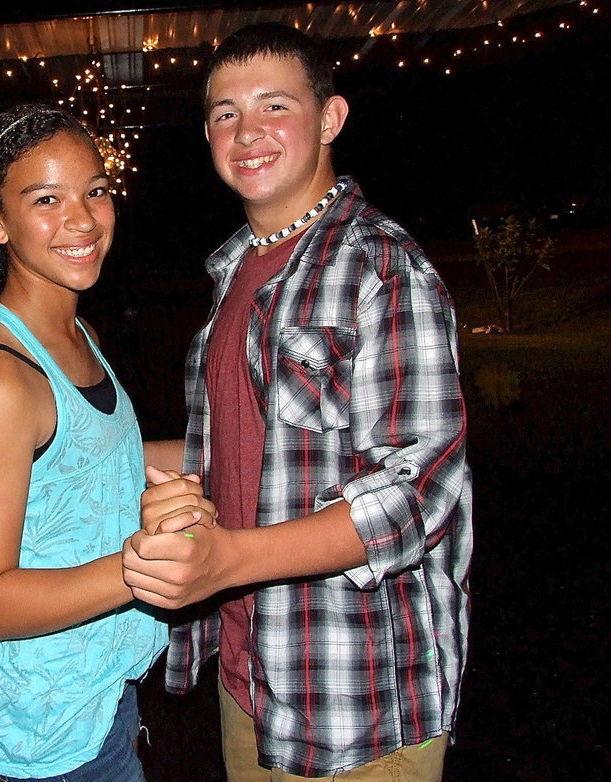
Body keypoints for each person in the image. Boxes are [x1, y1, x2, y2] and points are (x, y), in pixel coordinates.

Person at [122, 23, 472, 781]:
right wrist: (63, 449)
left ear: (330, 118)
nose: (245, 133)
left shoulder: (380, 266)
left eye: (273, 106)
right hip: (252, 681)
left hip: (358, 699)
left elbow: (419, 495)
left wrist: (228, 562)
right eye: (223, 114)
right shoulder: (234, 271)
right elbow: (235, 451)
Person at [0, 103, 168, 782]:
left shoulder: (78, 334)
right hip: (39, 730)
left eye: (95, 191)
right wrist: (145, 566)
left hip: (94, 696)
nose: (83, 219)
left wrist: (241, 451)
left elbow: (100, 459)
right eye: (46, 200)